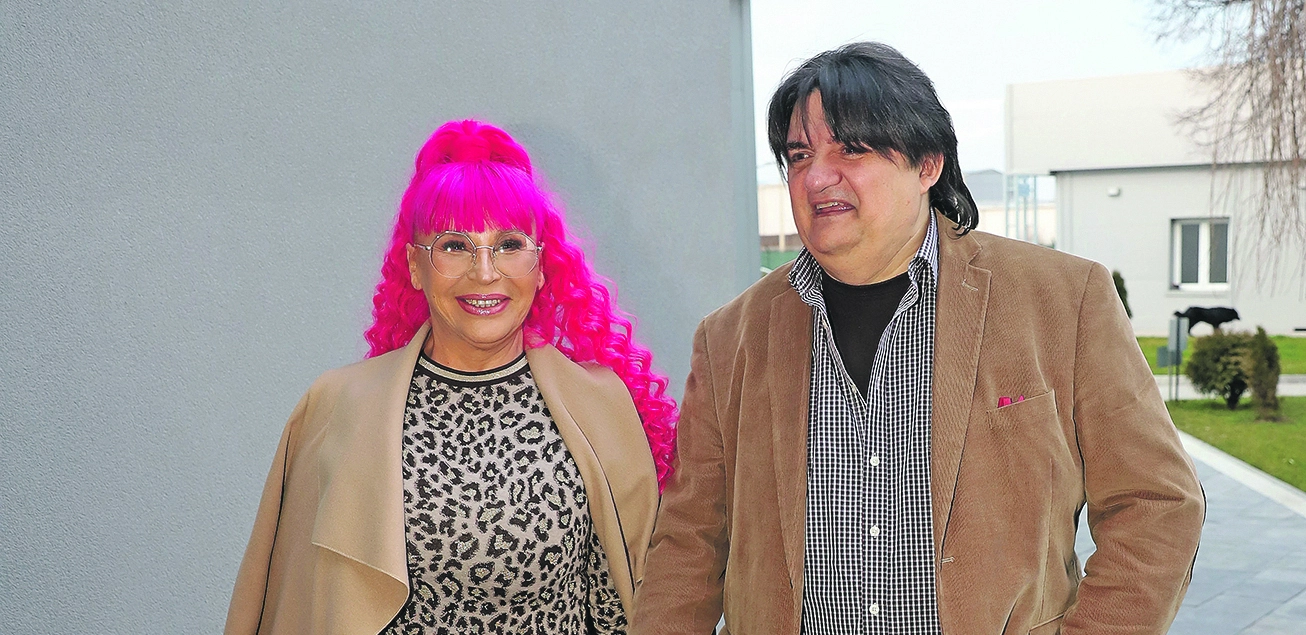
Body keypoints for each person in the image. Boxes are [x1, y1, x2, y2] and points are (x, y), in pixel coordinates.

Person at [632, 42, 1204, 635]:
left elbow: (1155, 504)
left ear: (928, 165)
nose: (817, 177)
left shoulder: (1063, 299)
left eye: (851, 148)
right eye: (799, 156)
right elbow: (689, 541)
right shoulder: (730, 338)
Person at [225, 119, 677, 635]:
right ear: (415, 266)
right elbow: (296, 607)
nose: (484, 273)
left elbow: (632, 608)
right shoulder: (335, 409)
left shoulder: (601, 407)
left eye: (509, 244)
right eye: (455, 246)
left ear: (541, 265)